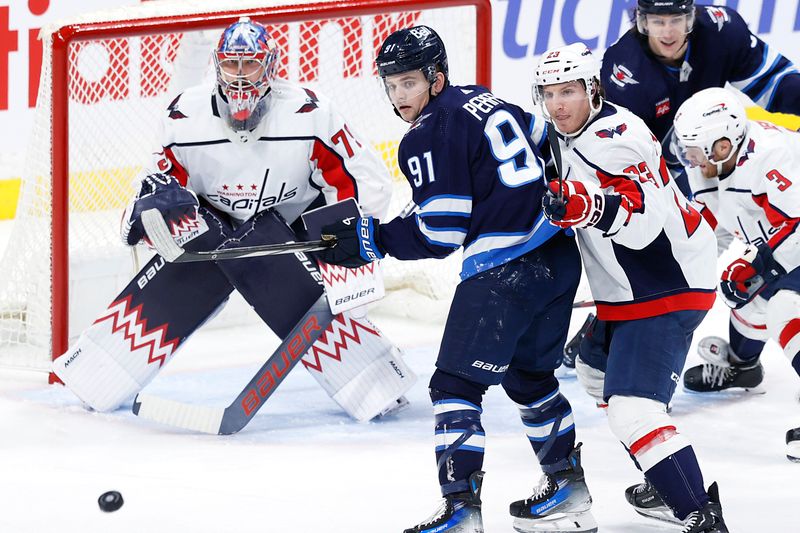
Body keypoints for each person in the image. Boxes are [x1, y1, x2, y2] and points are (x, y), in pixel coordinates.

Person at [51, 17, 418, 424]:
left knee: (278, 270)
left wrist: (347, 248)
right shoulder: (182, 116)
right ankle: (96, 374)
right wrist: (149, 213)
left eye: (251, 64)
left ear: (271, 65)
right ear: (216, 65)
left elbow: (366, 182)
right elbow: (142, 199)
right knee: (192, 234)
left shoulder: (310, 111)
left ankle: (377, 382)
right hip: (214, 232)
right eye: (232, 65)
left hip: (294, 236)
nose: (241, 76)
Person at [319, 25, 596, 533]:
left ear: (437, 78)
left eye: (410, 83)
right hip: (558, 256)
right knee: (528, 377)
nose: (400, 95)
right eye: (392, 84)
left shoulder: (426, 135)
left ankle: (462, 511)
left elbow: (442, 232)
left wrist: (373, 239)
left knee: (454, 385)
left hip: (506, 270)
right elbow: (547, 138)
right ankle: (569, 490)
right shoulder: (482, 99)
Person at [533, 43, 728, 532]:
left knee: (632, 410)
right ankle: (667, 483)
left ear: (592, 90)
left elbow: (641, 225)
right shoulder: (573, 131)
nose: (558, 104)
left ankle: (698, 514)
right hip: (633, 289)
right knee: (594, 370)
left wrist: (587, 206)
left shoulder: (617, 141)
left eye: (569, 91)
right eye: (550, 93)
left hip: (668, 285)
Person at [670, 86, 800, 463]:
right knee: (745, 294)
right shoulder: (713, 164)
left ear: (723, 145)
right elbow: (710, 226)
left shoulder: (770, 157)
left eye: (695, 150)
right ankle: (743, 368)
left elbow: (795, 225)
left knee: (786, 308)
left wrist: (761, 264)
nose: (690, 159)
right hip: (785, 239)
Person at [601, 0, 800, 198]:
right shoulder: (625, 75)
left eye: (676, 21)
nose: (668, 33)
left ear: (690, 18)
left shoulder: (720, 31)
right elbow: (626, 161)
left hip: (715, 155)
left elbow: (774, 79)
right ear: (642, 22)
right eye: (658, 22)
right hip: (662, 176)